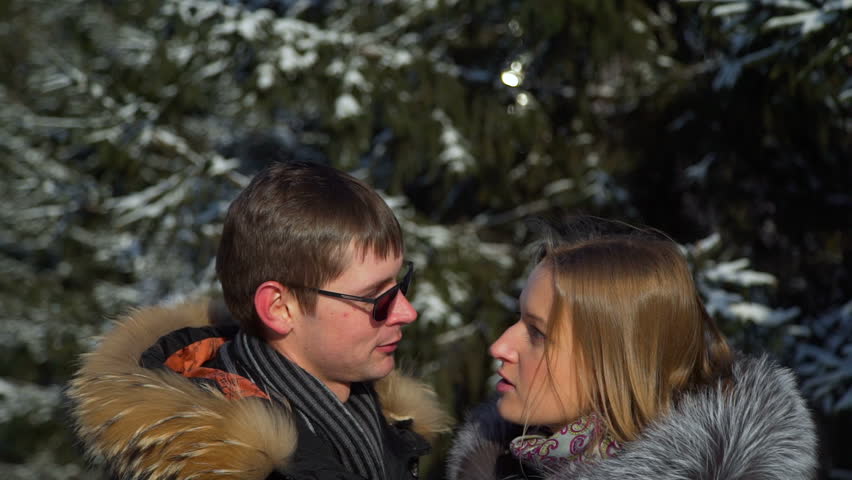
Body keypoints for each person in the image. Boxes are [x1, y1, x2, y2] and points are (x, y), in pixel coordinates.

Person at [68, 161, 451, 480]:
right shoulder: (210, 464)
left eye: (402, 284)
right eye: (376, 297)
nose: (406, 311)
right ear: (280, 308)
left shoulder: (383, 421)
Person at [447, 217, 818, 480]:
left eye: (538, 333)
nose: (500, 345)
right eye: (518, 319)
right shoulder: (500, 463)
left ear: (616, 360)